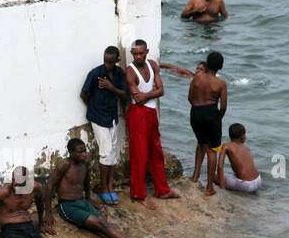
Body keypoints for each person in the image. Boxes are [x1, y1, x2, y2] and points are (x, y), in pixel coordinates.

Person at [45, 139, 149, 238]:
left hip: (82, 202)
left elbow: (86, 181)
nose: (84, 154)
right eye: (80, 152)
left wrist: (89, 199)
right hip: (68, 206)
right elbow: (49, 185)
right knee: (102, 225)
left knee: (103, 230)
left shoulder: (85, 162)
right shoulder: (65, 164)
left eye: (84, 150)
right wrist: (48, 213)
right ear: (71, 152)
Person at [124, 39, 180, 209]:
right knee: (139, 155)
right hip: (138, 114)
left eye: (141, 53)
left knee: (156, 151)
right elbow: (138, 100)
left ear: (147, 51)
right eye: (135, 54)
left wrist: (147, 94)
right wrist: (153, 92)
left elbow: (161, 91)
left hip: (151, 113)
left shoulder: (153, 65)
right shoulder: (130, 71)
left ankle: (163, 190)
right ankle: (138, 194)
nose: (138, 56)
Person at [79, 45, 129, 205]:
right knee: (106, 152)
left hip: (112, 117)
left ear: (117, 61)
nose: (107, 64)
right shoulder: (95, 73)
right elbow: (83, 94)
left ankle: (109, 186)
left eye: (111, 62)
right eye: (105, 61)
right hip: (98, 117)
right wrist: (94, 108)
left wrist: (110, 87)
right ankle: (103, 189)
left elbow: (124, 95)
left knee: (112, 152)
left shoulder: (119, 73)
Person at [188, 52, 227, 195]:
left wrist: (198, 108)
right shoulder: (221, 83)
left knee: (201, 142)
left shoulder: (197, 77)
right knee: (212, 150)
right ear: (221, 67)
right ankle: (209, 187)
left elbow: (190, 97)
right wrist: (217, 118)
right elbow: (223, 106)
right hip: (211, 113)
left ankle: (195, 176)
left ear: (207, 64)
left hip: (196, 112)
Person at [216, 123, 261, 193]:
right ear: (242, 137)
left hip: (246, 185)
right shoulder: (246, 148)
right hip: (258, 181)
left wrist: (222, 187)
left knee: (213, 176)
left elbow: (220, 166)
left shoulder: (226, 145)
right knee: (234, 175)